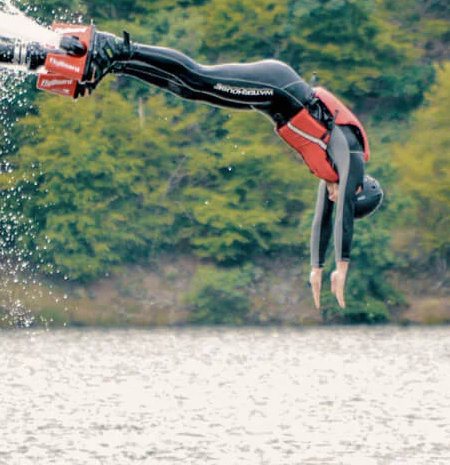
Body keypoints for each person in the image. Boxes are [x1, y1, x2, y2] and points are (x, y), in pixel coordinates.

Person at [75, 30, 383, 310]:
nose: (331, 197)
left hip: (273, 98)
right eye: (340, 196)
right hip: (278, 86)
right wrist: (341, 268)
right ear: (357, 189)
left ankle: (112, 63)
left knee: (189, 89)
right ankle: (116, 46)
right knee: (198, 77)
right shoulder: (351, 154)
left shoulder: (331, 174)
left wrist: (316, 269)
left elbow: (323, 222)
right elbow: (340, 213)